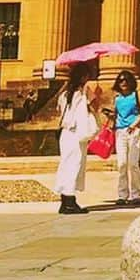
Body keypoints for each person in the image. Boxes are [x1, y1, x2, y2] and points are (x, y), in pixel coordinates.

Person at [53, 60, 103, 215]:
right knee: (74, 164)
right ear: (82, 76)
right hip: (77, 133)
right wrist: (98, 94)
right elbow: (95, 107)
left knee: (66, 164)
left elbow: (59, 110)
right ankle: (69, 202)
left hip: (66, 133)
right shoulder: (84, 91)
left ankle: (66, 201)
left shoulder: (65, 93)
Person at [107, 70, 140, 206]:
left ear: (131, 82)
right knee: (122, 164)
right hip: (120, 131)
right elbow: (116, 115)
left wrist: (134, 124)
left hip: (134, 130)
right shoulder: (117, 98)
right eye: (120, 80)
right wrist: (110, 117)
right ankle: (122, 194)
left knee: (133, 164)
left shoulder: (137, 94)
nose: (123, 82)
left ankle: (136, 193)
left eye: (126, 80)